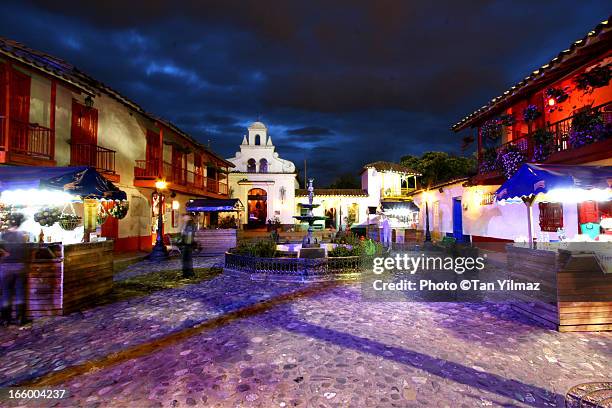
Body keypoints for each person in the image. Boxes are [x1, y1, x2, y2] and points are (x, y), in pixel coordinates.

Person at [0, 213, 29, 326]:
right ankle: (20, 319)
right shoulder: (22, 236)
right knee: (20, 293)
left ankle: (5, 319)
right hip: (20, 267)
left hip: (5, 268)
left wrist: (5, 254)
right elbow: (26, 252)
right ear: (19, 224)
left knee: (6, 293)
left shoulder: (3, 235)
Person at [180, 213, 196, 278]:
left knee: (186, 259)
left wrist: (186, 244)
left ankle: (187, 273)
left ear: (188, 217)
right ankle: (189, 273)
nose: (183, 218)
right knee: (187, 259)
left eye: (184, 216)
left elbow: (189, 235)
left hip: (187, 244)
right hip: (188, 244)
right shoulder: (189, 223)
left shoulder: (189, 224)